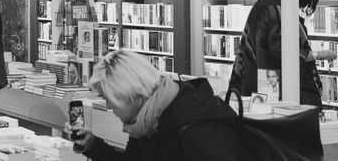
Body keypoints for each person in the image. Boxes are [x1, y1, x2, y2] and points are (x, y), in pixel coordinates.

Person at [75, 49, 253, 161]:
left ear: (130, 96)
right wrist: (92, 146)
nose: (108, 106)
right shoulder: (143, 120)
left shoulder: (196, 129)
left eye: (108, 99)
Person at [228, 0, 337, 107]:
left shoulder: (267, 1)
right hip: (268, 77)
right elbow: (281, 50)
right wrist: (318, 54)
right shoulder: (277, 10)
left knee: (253, 112)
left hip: (251, 68)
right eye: (306, 4)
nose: (303, 8)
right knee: (271, 114)